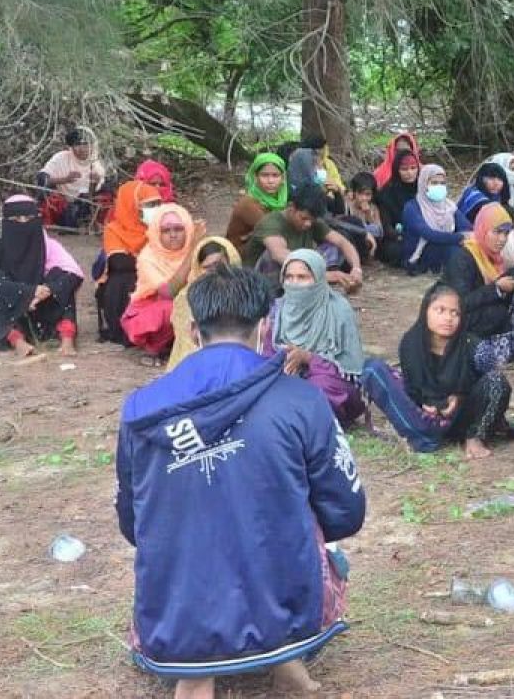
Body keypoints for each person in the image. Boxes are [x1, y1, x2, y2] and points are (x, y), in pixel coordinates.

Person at [116, 265, 365, 698]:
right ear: (265, 325)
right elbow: (345, 506)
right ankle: (287, 659)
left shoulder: (141, 408)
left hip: (180, 603)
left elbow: (132, 518)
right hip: (282, 597)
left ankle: (196, 678)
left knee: (190, 532)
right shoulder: (302, 399)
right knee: (295, 522)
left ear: (194, 331)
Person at [361, 283, 514, 460]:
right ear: (425, 311)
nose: (448, 318)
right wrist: (425, 403)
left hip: (461, 418)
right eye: (441, 310)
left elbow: (490, 386)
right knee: (373, 369)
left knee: (496, 382)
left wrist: (459, 396)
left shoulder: (474, 347)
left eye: (455, 313)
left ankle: (474, 438)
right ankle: (422, 435)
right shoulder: (411, 344)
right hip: (421, 414)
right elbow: (413, 387)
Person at [261, 250, 367, 426]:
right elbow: (265, 354)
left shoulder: (338, 310)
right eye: (289, 277)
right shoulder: (279, 310)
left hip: (332, 385)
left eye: (303, 277)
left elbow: (349, 369)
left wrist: (308, 357)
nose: (294, 284)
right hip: (288, 380)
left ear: (318, 279)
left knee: (320, 388)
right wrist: (283, 359)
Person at [0, 195, 85, 360]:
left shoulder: (49, 247)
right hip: (10, 313)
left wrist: (46, 290)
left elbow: (73, 275)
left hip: (43, 313)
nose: (24, 223)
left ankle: (67, 340)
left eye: (29, 218)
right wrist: (26, 293)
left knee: (61, 276)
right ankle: (17, 341)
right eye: (17, 219)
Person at [443, 203, 514, 368]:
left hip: (482, 312)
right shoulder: (463, 258)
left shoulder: (494, 257)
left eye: (506, 233)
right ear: (483, 229)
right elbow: (461, 303)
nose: (502, 239)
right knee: (497, 313)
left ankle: (499, 347)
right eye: (497, 232)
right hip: (459, 318)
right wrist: (497, 289)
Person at [121, 204, 204, 362]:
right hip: (150, 316)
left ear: (188, 229)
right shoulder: (148, 257)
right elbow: (169, 292)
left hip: (189, 310)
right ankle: (154, 348)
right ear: (157, 233)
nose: (173, 235)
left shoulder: (198, 251)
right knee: (172, 308)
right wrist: (193, 250)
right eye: (166, 230)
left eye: (179, 229)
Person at [244, 184, 363, 291]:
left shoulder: (312, 222)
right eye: (303, 218)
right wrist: (328, 276)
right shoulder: (271, 222)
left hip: (299, 275)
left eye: (312, 220)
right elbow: (279, 254)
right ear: (291, 207)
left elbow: (342, 242)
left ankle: (310, 284)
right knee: (275, 258)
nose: (308, 224)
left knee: (334, 246)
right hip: (258, 283)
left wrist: (356, 269)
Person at [96, 180, 163, 345]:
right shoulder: (114, 229)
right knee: (123, 280)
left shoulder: (162, 228)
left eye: (157, 204)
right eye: (149, 205)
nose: (155, 210)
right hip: (126, 281)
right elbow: (118, 262)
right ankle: (126, 329)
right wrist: (149, 261)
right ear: (132, 205)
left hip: (153, 276)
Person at [166, 237, 242, 371]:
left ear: (230, 261)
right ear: (198, 269)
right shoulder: (187, 298)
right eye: (207, 268)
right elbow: (187, 343)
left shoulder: (244, 292)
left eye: (219, 265)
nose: (215, 272)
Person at [401, 164, 471, 275]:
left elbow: (466, 226)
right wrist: (459, 237)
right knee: (454, 250)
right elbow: (428, 234)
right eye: (434, 183)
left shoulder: (448, 205)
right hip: (421, 253)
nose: (439, 186)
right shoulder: (412, 207)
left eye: (442, 183)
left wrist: (468, 237)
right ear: (424, 184)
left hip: (446, 243)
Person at [37, 129, 107, 229]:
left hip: (85, 204)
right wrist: (65, 180)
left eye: (86, 144)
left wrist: (94, 182)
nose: (82, 148)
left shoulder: (96, 164)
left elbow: (92, 196)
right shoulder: (61, 158)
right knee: (49, 200)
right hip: (62, 203)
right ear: (71, 146)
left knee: (106, 198)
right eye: (77, 144)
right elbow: (42, 179)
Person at [225, 153, 288, 256]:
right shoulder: (248, 204)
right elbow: (275, 231)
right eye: (264, 175)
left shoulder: (281, 199)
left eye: (275, 175)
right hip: (241, 256)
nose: (270, 181)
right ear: (255, 177)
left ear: (283, 178)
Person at [375, 148, 421, 267]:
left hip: (425, 233)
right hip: (399, 237)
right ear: (397, 170)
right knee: (395, 251)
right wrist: (401, 235)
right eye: (404, 169)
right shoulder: (387, 193)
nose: (409, 173)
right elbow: (387, 227)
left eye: (413, 168)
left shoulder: (424, 189)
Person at [330, 172, 384, 264]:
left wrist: (368, 214)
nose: (363, 198)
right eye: (360, 194)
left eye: (367, 195)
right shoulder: (347, 204)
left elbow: (379, 231)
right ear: (354, 192)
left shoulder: (373, 208)